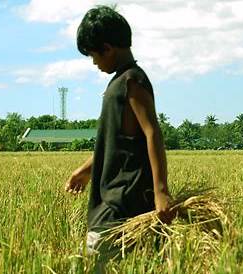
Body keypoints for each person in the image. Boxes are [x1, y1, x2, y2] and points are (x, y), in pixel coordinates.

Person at [64, 4, 175, 261]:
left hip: (121, 203)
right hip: (112, 202)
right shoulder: (119, 82)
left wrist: (161, 190)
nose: (94, 62)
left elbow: (152, 133)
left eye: (94, 55)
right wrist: (86, 170)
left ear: (108, 48)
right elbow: (119, 143)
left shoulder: (131, 81)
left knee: (97, 258)